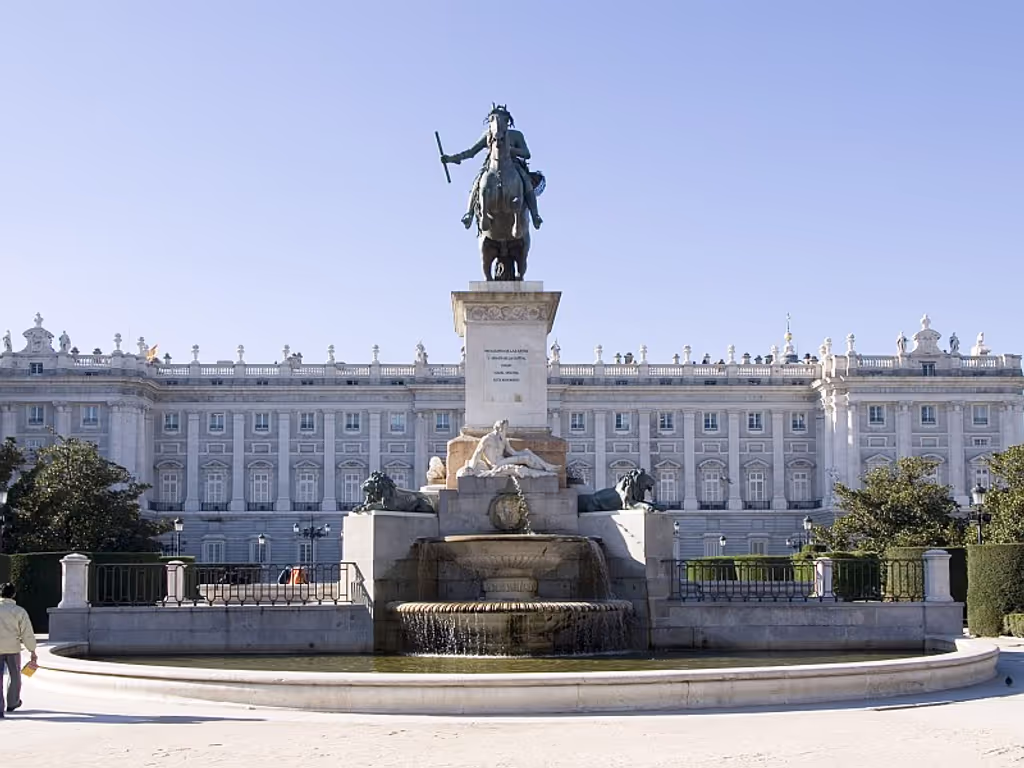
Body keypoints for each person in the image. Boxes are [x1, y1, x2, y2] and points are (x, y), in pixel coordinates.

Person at [0, 582, 37, 716]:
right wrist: (32, 650)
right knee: (15, 676)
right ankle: (13, 702)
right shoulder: (19, 611)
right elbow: (26, 633)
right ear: (14, 594)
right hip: (13, 649)